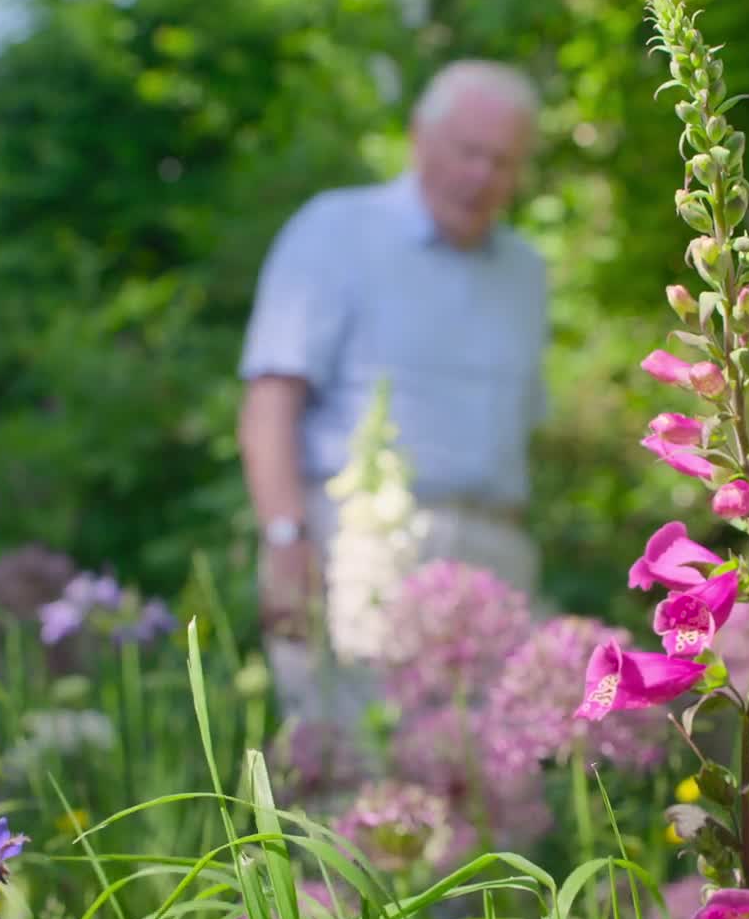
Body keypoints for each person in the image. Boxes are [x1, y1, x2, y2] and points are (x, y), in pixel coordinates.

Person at [235, 59, 550, 725]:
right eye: (469, 152)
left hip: (495, 554)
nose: (482, 177)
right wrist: (285, 540)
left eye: (503, 162)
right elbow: (270, 405)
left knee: (486, 788)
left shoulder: (527, 272)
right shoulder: (336, 230)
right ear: (419, 138)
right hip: (361, 547)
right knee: (355, 782)